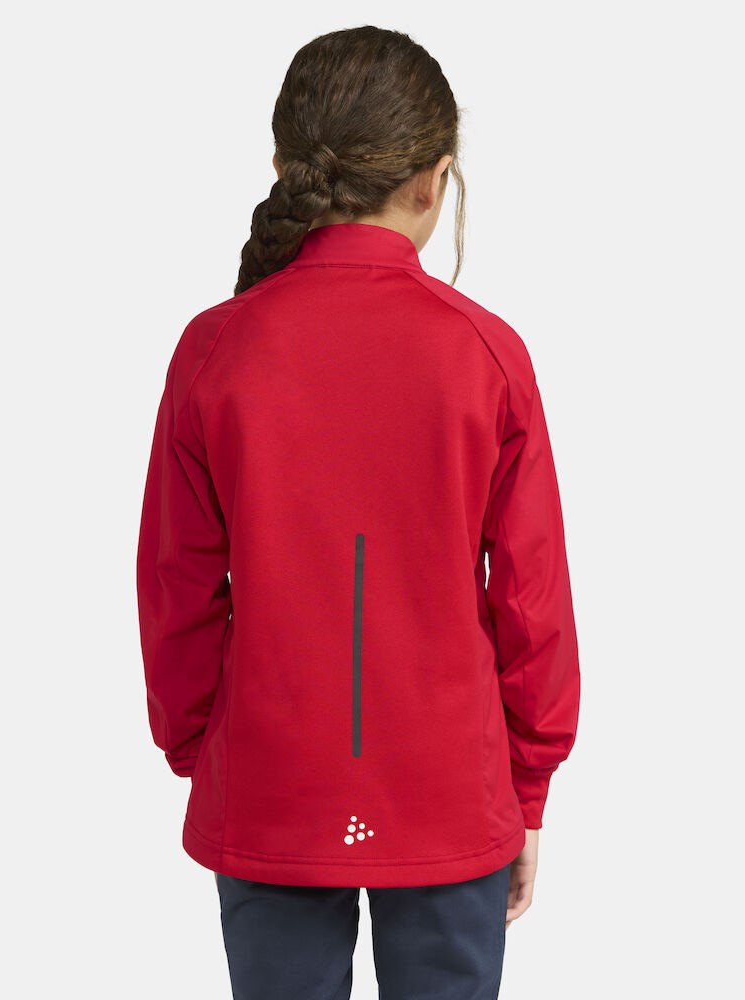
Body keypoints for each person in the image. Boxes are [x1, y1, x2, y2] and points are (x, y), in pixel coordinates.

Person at [136, 24, 581, 1000]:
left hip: (273, 777)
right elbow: (532, 601)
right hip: (452, 788)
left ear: (284, 169)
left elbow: (175, 589)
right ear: (434, 181)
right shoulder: (486, 355)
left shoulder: (215, 350)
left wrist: (205, 748)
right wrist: (529, 785)